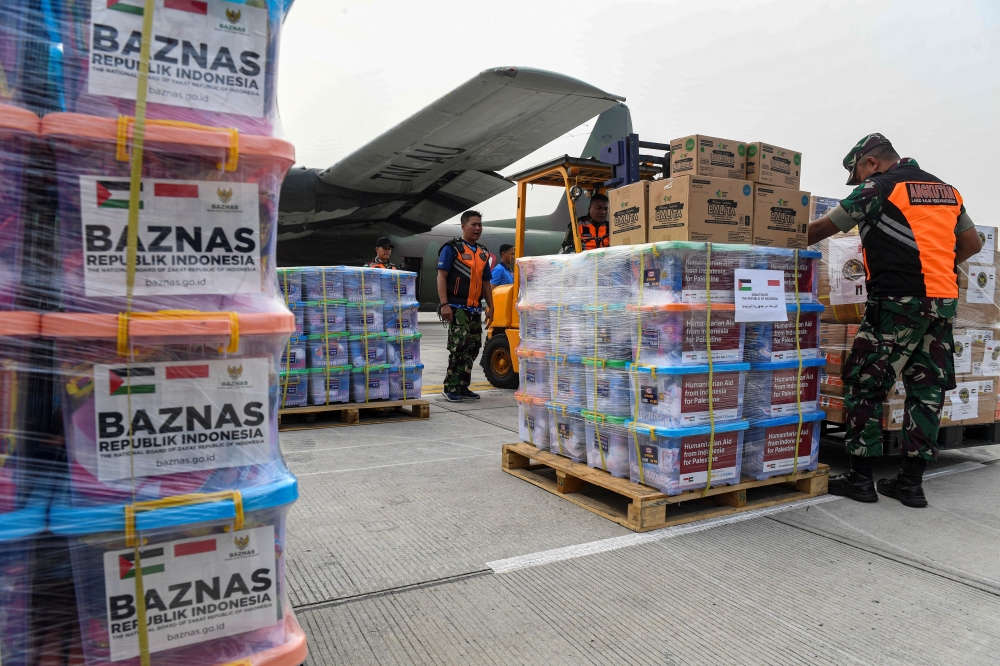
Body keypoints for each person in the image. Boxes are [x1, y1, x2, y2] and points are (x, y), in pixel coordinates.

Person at [808, 133, 982, 508]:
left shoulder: (879, 188)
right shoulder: (946, 190)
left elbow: (823, 229)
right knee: (927, 390)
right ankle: (910, 484)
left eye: (857, 173)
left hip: (897, 303)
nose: (859, 181)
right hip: (942, 303)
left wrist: (769, 243)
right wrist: (937, 267)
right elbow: (972, 244)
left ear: (870, 163)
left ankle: (859, 478)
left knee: (865, 384)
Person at [437, 210, 494, 402]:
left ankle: (462, 386)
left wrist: (491, 307)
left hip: (474, 309)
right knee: (459, 347)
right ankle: (450, 387)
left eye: (480, 225)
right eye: (473, 224)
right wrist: (444, 304)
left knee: (474, 347)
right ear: (463, 226)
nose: (477, 228)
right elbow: (441, 277)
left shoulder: (483, 253)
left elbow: (486, 282)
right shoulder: (452, 249)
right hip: (456, 306)